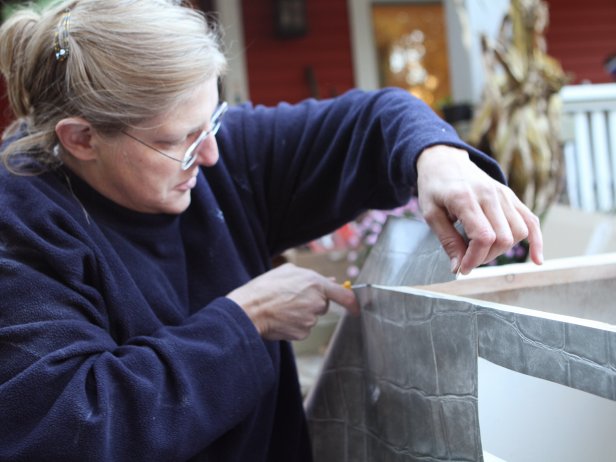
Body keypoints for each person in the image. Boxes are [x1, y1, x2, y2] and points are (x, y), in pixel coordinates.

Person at [0, 0, 542, 460]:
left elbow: (374, 119)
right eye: (180, 139)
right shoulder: (21, 228)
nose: (210, 155)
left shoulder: (215, 154)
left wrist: (437, 158)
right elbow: (67, 426)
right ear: (81, 140)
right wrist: (247, 319)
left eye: (212, 120)